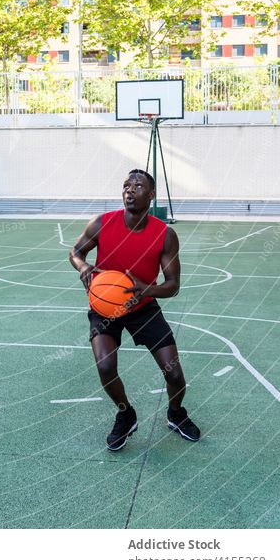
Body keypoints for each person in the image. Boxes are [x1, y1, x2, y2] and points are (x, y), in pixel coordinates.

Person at [69, 169, 200, 450]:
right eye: (126, 186)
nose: (130, 190)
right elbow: (75, 252)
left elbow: (173, 284)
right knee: (105, 366)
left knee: (174, 374)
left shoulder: (165, 235)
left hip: (143, 305)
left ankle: (176, 413)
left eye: (138, 186)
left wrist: (147, 289)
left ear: (151, 195)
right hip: (105, 306)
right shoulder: (102, 223)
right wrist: (84, 267)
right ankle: (125, 414)